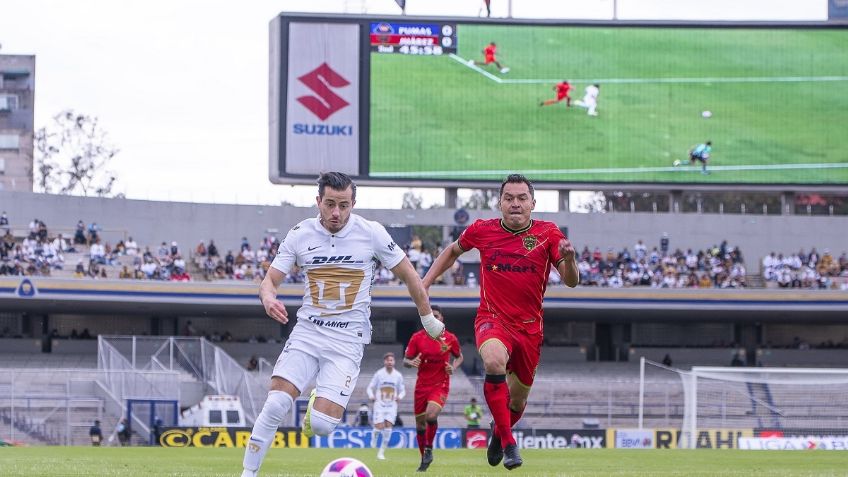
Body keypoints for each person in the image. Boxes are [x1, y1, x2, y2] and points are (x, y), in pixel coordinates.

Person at [241, 172, 442, 477]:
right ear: (318, 201)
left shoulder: (371, 232)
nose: (336, 212)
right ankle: (248, 474)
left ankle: (315, 406)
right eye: (330, 204)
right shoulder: (299, 234)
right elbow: (270, 280)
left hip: (348, 341)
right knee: (275, 405)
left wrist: (427, 318)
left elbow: (410, 276)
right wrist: (268, 298)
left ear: (353, 204)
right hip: (307, 332)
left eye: (344, 205)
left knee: (321, 426)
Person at [423, 174, 579, 470]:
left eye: (522, 198)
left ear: (533, 203)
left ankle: (498, 431)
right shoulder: (482, 229)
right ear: (500, 202)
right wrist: (425, 283)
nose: (515, 204)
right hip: (492, 320)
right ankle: (509, 443)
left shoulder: (548, 233)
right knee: (493, 362)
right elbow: (453, 251)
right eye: (509, 198)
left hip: (530, 329)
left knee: (517, 403)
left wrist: (570, 260)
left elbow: (571, 282)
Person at [403, 305, 463, 472]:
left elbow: (459, 356)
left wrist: (454, 366)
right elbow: (405, 360)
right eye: (431, 316)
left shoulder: (450, 338)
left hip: (440, 385)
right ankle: (424, 460)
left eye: (437, 316)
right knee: (420, 426)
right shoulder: (417, 338)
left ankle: (428, 448)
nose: (434, 319)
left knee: (431, 415)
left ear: (441, 318)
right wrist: (411, 362)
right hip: (421, 386)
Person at [366, 352, 406, 460]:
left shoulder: (398, 376)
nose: (390, 362)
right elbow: (370, 387)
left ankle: (381, 452)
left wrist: (400, 397)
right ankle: (373, 438)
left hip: (392, 405)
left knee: (388, 427)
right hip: (379, 404)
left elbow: (402, 391)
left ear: (394, 362)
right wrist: (371, 395)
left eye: (391, 360)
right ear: (385, 362)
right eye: (388, 360)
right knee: (379, 427)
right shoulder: (379, 374)